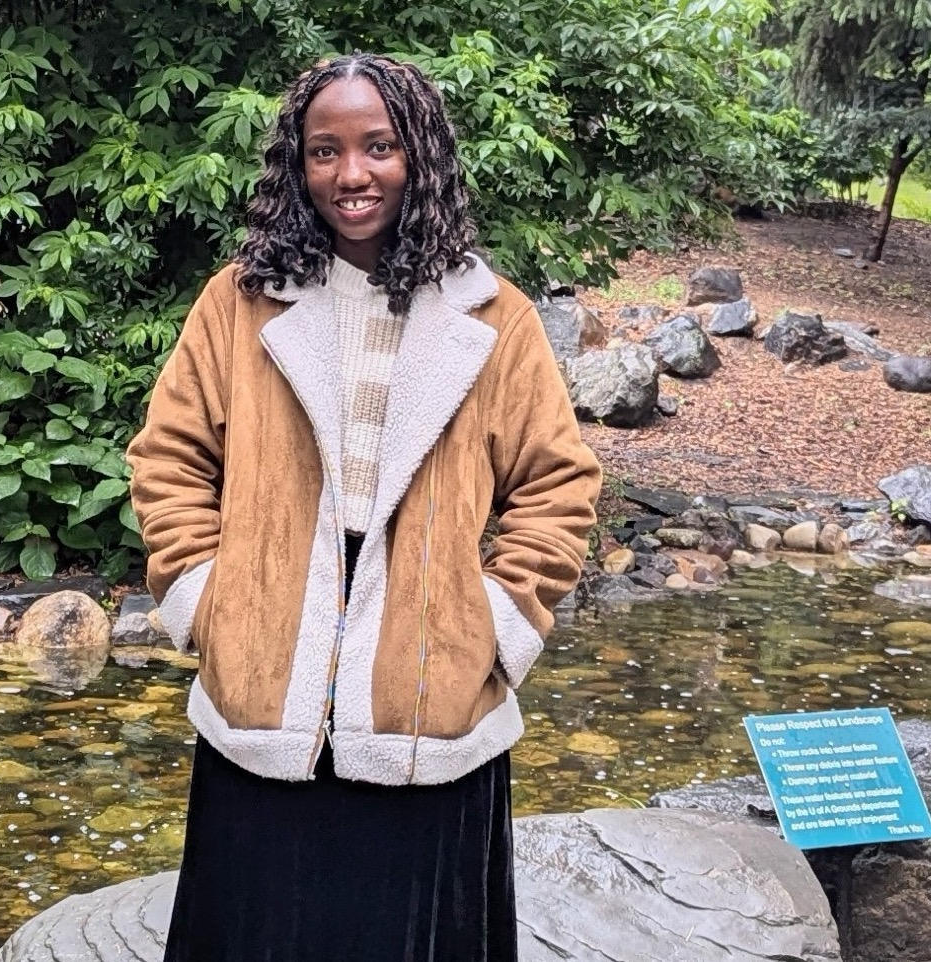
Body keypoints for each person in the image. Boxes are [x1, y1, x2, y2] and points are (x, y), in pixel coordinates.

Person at [126, 52, 602, 962]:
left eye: (379, 146)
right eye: (324, 150)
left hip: (429, 682)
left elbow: (558, 484)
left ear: (418, 153)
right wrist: (207, 602)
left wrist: (494, 627)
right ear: (295, 167)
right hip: (265, 675)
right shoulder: (239, 305)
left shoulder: (495, 319)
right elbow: (168, 459)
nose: (352, 174)